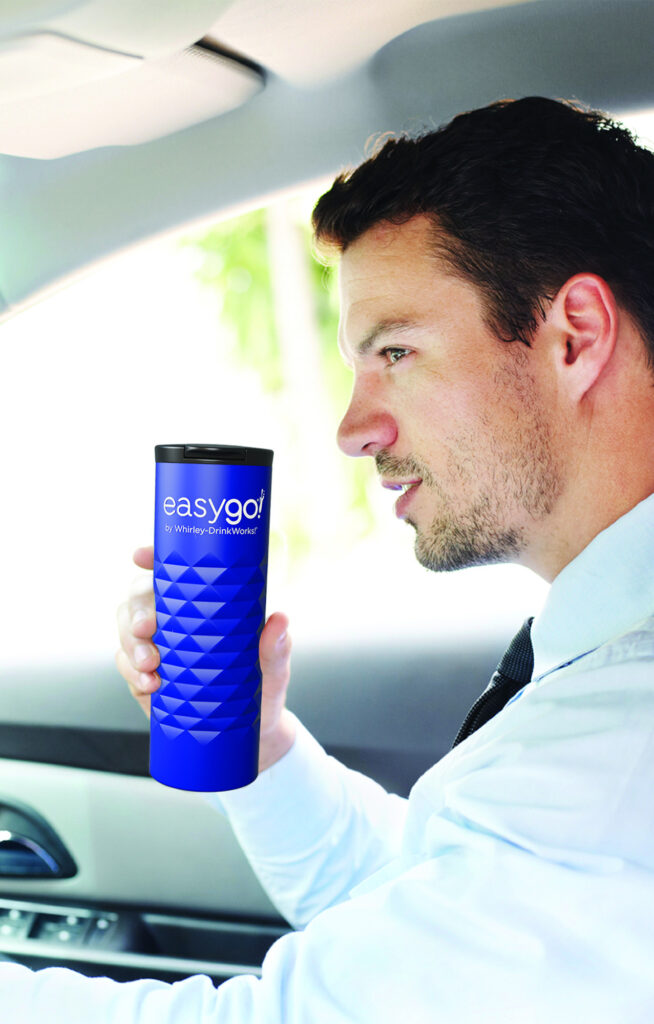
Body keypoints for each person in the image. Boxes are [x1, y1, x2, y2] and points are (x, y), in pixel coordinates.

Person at [4, 95, 654, 1021]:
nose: (354, 429)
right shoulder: (607, 670)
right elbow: (440, 922)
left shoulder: (622, 734)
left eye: (397, 350)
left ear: (576, 334)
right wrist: (261, 744)